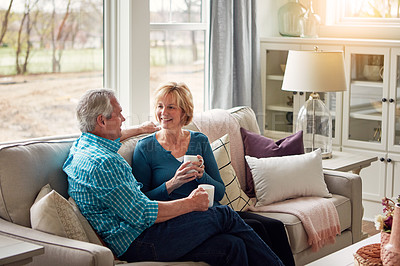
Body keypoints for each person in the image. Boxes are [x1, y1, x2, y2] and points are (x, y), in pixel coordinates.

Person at [63, 88, 283, 266]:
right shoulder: (106, 162)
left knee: (232, 246)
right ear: (101, 121)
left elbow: (104, 136)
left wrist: (136, 129)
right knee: (224, 214)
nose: (123, 119)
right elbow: (143, 212)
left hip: (136, 234)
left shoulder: (81, 146)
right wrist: (190, 203)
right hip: (140, 240)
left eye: (171, 107)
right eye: (119, 114)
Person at [132, 82, 295, 266]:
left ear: (184, 112)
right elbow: (142, 200)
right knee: (250, 232)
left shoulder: (199, 141)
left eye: (171, 107)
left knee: (274, 226)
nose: (163, 112)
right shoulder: (145, 148)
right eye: (160, 106)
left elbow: (219, 192)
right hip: (179, 218)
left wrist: (202, 176)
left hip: (211, 211)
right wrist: (173, 183)